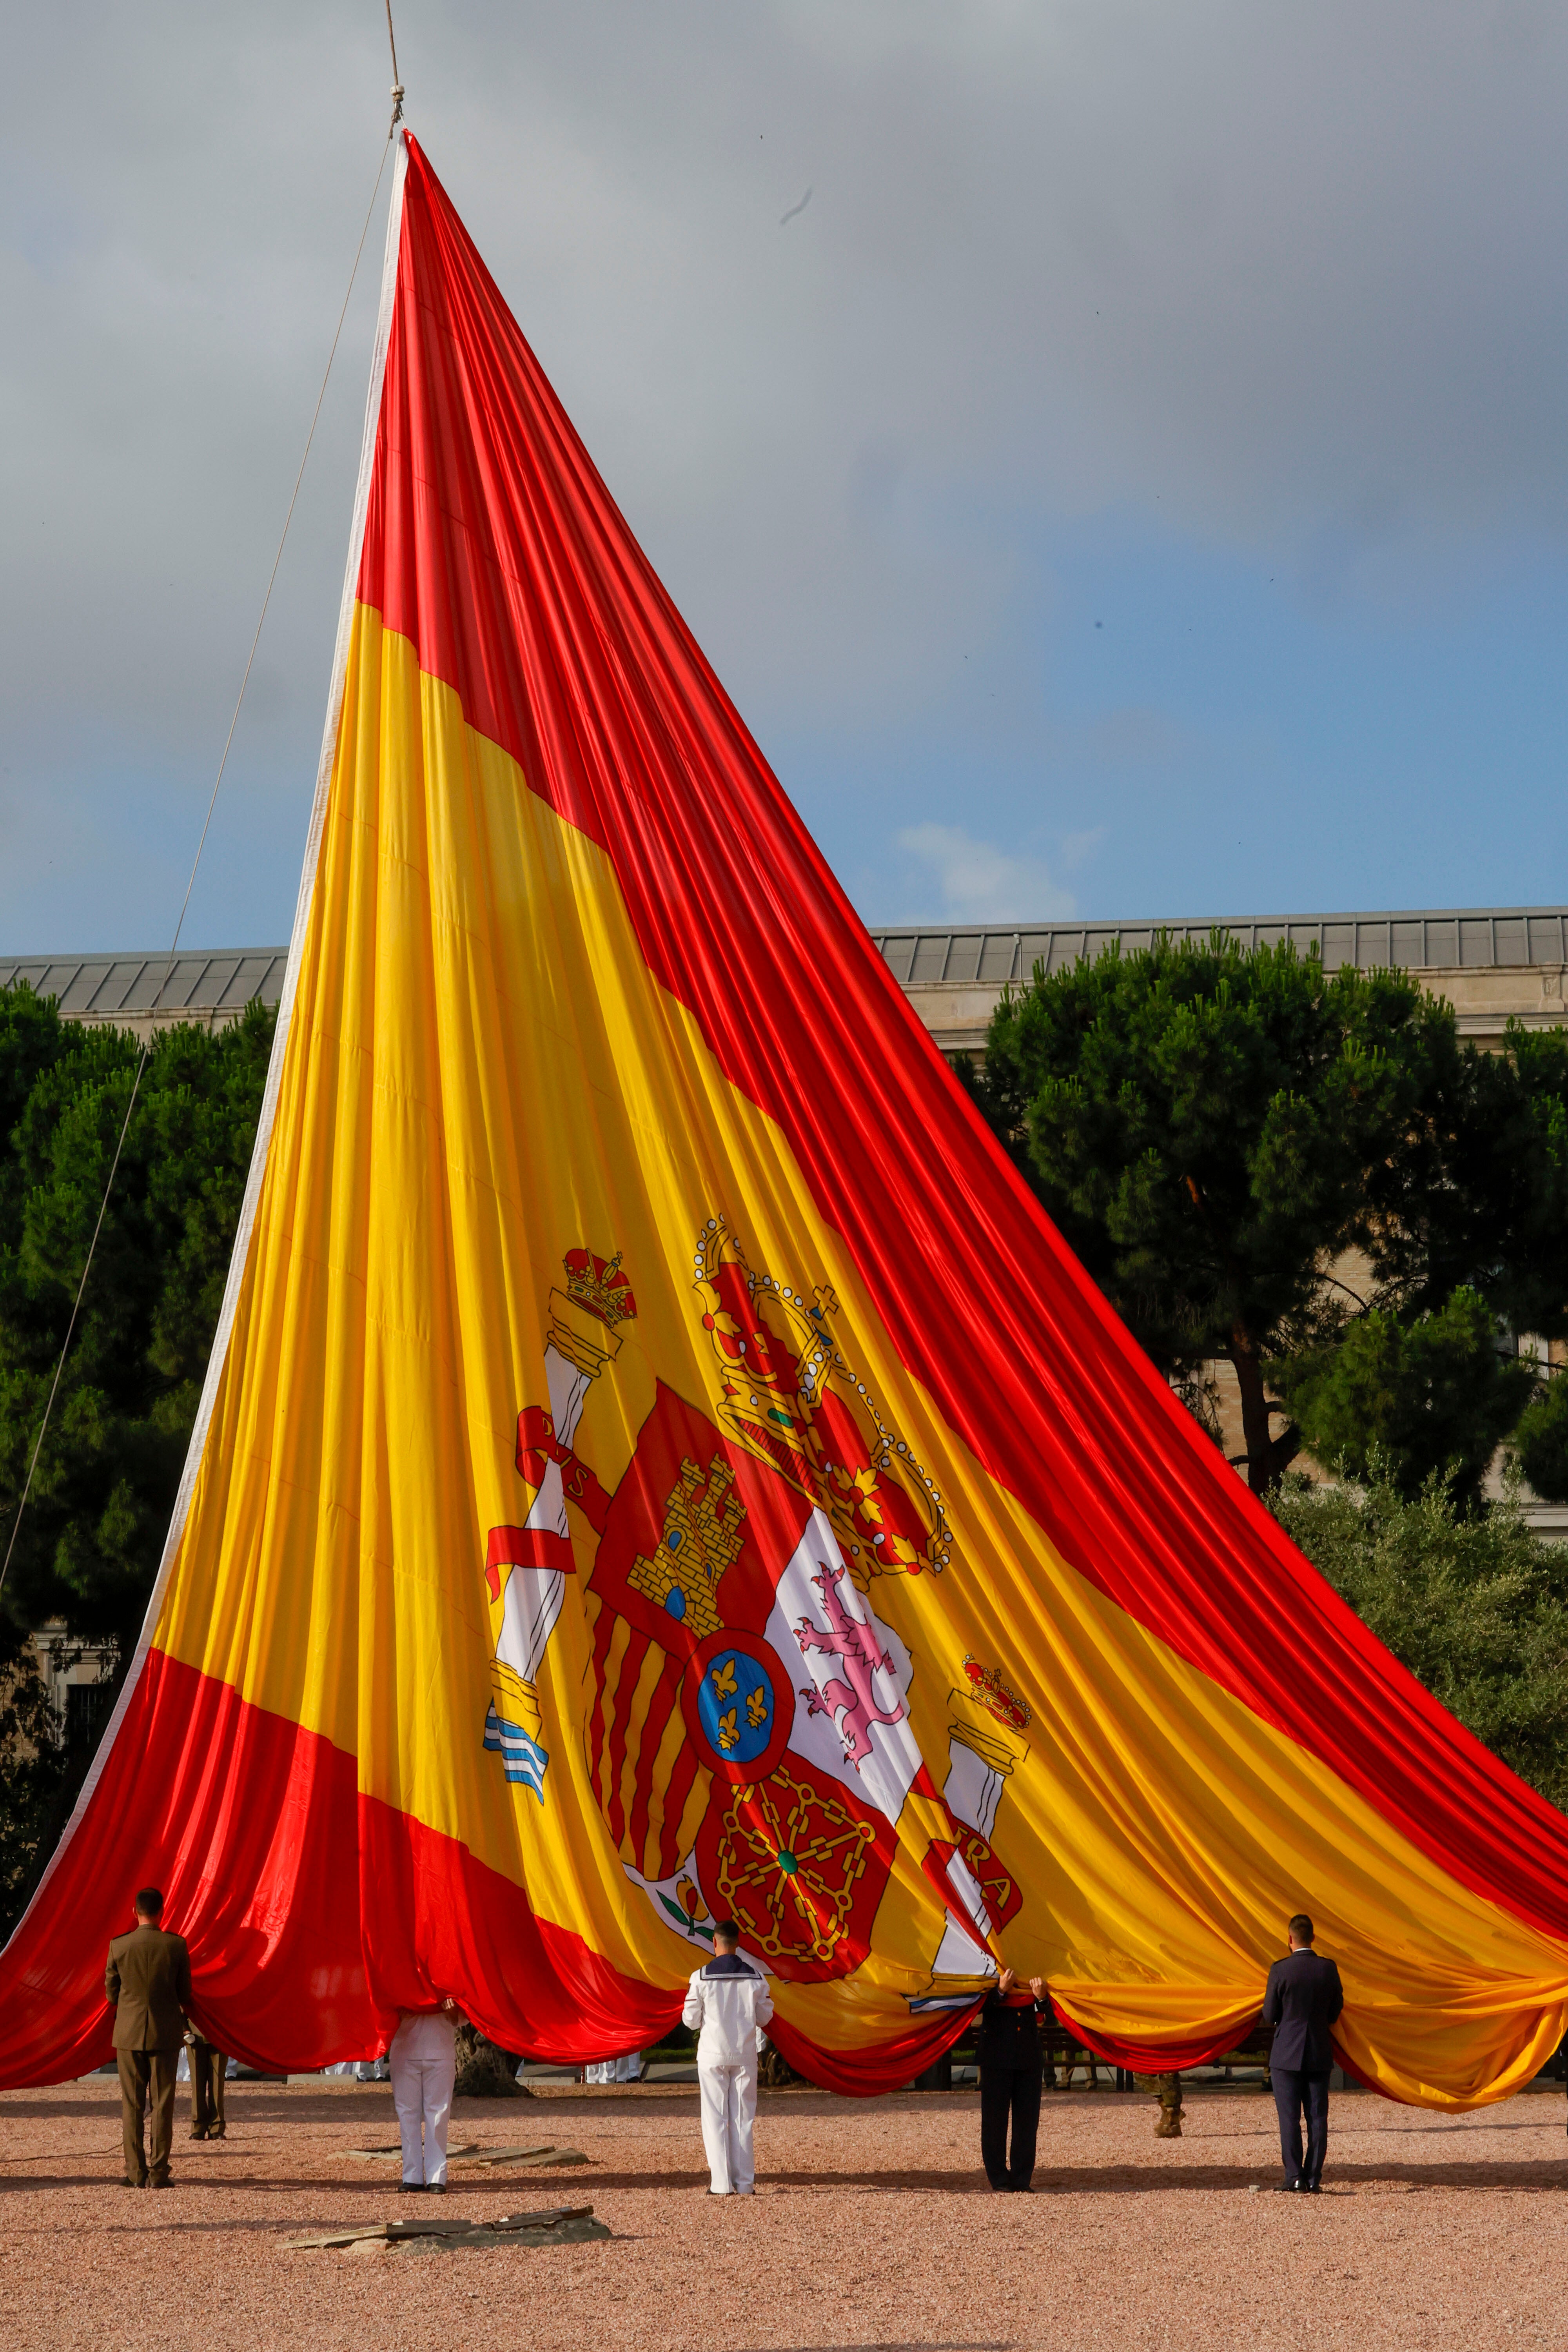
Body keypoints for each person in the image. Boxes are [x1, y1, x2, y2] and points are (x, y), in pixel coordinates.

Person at [105, 1887, 192, 2190]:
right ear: (162, 1912)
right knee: (163, 2103)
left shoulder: (119, 1946)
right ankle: (158, 2173)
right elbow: (185, 1994)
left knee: (132, 2104)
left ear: (134, 1912)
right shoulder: (176, 1946)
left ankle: (135, 2172)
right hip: (165, 2032)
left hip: (128, 2033)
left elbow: (111, 1994)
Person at [682, 1920, 773, 2196]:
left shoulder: (700, 1977)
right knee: (743, 2119)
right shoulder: (756, 1977)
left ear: (714, 1942)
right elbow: (765, 2017)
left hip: (712, 2053)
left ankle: (721, 2184)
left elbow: (690, 2020)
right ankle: (745, 2183)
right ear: (738, 1943)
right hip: (744, 2053)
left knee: (715, 2118)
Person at [1261, 1911, 1345, 2193]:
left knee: (1289, 2119)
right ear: (1314, 1938)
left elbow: (1270, 2013)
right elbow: (1335, 2012)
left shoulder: (1280, 1970)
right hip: (1319, 2050)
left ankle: (1294, 2177)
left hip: (1286, 2053)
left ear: (1289, 1939)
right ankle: (1313, 2178)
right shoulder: (1328, 1968)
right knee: (1318, 2118)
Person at [976, 1965, 1046, 2192]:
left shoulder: (1036, 1969)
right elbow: (974, 2006)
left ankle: (1021, 2178)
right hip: (996, 2056)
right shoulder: (987, 1969)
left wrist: (1041, 1998)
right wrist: (1000, 1991)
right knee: (995, 2121)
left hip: (1028, 2056)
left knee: (1027, 2122)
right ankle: (999, 2178)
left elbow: (1054, 2011)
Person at [389, 1995, 458, 2193]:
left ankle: (437, 2176)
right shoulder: (399, 1972)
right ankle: (412, 2176)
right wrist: (398, 2012)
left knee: (438, 2115)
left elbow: (462, 2016)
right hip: (405, 2049)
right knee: (407, 2114)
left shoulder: (446, 1973)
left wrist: (451, 2009)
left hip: (440, 2049)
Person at [185, 2024, 227, 2140]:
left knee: (217, 2085)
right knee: (198, 2084)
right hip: (194, 2034)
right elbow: (182, 2007)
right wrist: (184, 2029)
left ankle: (217, 2127)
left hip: (220, 2033)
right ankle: (198, 2126)